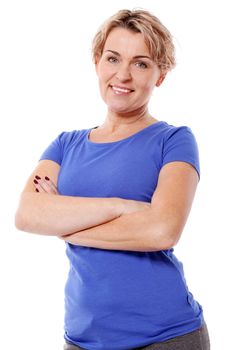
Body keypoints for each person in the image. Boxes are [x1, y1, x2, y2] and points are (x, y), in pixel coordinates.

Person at [15, 8, 211, 350]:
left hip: (166, 336)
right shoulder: (64, 144)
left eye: (141, 63)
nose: (123, 75)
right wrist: (121, 207)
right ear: (97, 62)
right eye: (113, 58)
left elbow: (162, 230)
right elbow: (28, 215)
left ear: (160, 75)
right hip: (82, 337)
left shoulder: (174, 140)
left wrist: (63, 223)